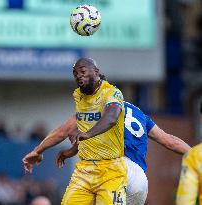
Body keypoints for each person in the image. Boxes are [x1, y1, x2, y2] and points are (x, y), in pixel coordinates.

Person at [23, 101, 191, 205]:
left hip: (112, 169)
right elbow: (170, 141)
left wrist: (37, 150)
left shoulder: (97, 107)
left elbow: (61, 132)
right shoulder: (139, 114)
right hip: (139, 179)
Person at [23, 58, 127, 205]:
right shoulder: (79, 96)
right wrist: (39, 150)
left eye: (83, 71)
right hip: (84, 170)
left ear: (96, 72)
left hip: (111, 170)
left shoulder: (111, 92)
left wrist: (88, 133)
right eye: (75, 73)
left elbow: (111, 117)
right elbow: (64, 131)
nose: (78, 75)